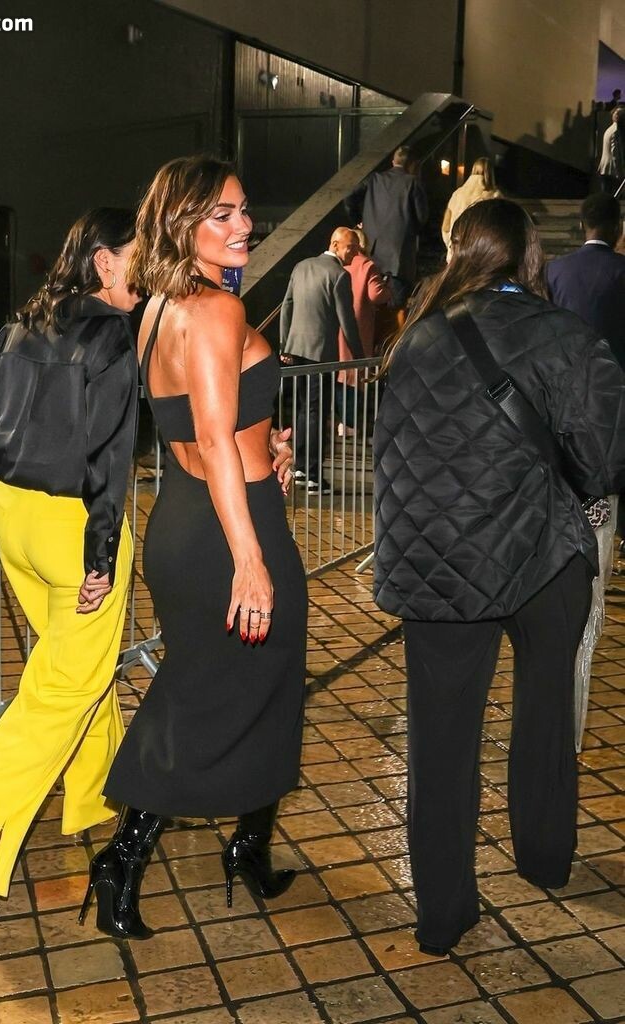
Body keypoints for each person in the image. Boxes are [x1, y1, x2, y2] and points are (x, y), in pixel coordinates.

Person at [372, 198, 625, 956]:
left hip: (436, 562)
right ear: (528, 256)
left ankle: (442, 913)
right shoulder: (563, 336)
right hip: (540, 553)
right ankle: (544, 856)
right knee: (545, 712)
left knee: (440, 739)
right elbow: (606, 456)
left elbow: (398, 456)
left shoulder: (414, 336)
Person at [85, 155, 308, 942]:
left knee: (250, 680)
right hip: (229, 530)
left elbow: (202, 425)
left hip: (186, 515)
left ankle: (249, 845)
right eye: (222, 214)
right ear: (182, 224)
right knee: (212, 692)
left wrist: (266, 443)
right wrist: (250, 560)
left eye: (244, 209)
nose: (244, 225)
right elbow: (213, 440)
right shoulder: (214, 309)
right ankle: (123, 857)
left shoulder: (155, 309)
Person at [0, 208, 142, 924]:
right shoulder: (111, 333)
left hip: (9, 514)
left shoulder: (19, 324)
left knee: (74, 665)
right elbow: (110, 456)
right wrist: (101, 554)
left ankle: (99, 793)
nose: (148, 273)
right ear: (105, 262)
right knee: (60, 689)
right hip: (74, 525)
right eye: (140, 256)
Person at [279, 227, 363, 493]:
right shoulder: (339, 275)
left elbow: (287, 306)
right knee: (316, 412)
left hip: (296, 350)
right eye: (351, 247)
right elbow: (347, 320)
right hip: (321, 355)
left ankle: (301, 468)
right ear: (335, 244)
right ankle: (313, 475)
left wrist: (284, 344)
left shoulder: (301, 266)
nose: (355, 253)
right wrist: (360, 356)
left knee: (303, 410)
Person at [344, 145, 429, 309]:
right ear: (412, 164)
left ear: (393, 161)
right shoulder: (412, 182)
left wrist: (359, 221)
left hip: (370, 253)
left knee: (367, 304)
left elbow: (349, 198)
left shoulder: (374, 179)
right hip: (399, 259)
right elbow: (422, 217)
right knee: (395, 308)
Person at [547, 193, 625, 370]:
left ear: (581, 224)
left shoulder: (553, 270)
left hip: (566, 372)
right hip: (616, 374)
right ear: (618, 227)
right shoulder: (621, 268)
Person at [335, 226, 391, 433]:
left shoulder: (338, 262)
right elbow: (376, 295)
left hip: (336, 323)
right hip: (359, 325)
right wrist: (388, 290)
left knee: (339, 371)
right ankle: (349, 423)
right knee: (354, 372)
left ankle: (341, 420)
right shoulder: (367, 265)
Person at [441, 157, 503, 258]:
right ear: (490, 174)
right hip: (481, 255)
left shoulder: (457, 194)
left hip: (456, 253)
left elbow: (446, 227)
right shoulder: (495, 196)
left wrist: (451, 245)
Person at [598, 106, 623, 194]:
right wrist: (618, 172)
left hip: (605, 167)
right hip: (612, 170)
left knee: (605, 194)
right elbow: (614, 152)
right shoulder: (616, 130)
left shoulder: (609, 129)